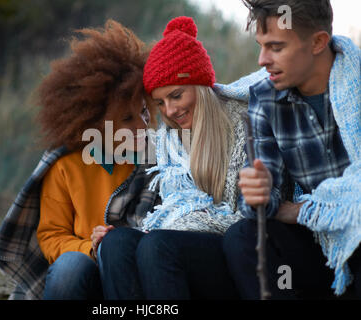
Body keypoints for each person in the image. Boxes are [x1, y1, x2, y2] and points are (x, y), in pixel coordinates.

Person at [0, 19, 159, 300]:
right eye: (127, 119)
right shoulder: (65, 167)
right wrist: (90, 246)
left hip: (132, 272)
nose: (142, 126)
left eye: (144, 113)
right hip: (84, 276)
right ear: (92, 122)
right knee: (69, 267)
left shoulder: (157, 160)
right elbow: (51, 237)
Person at [98, 16, 251, 300]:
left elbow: (247, 220)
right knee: (116, 242)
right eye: (160, 103)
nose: (169, 111)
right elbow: (166, 211)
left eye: (176, 95)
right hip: (178, 242)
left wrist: (175, 227)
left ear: (201, 87)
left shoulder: (242, 123)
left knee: (157, 245)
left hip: (231, 254)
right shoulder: (167, 139)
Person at [223, 0, 361, 299]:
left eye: (276, 47)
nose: (262, 60)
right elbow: (265, 205)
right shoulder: (265, 98)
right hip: (317, 245)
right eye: (261, 46)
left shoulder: (357, 83)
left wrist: (303, 210)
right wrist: (258, 194)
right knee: (243, 237)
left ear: (318, 43)